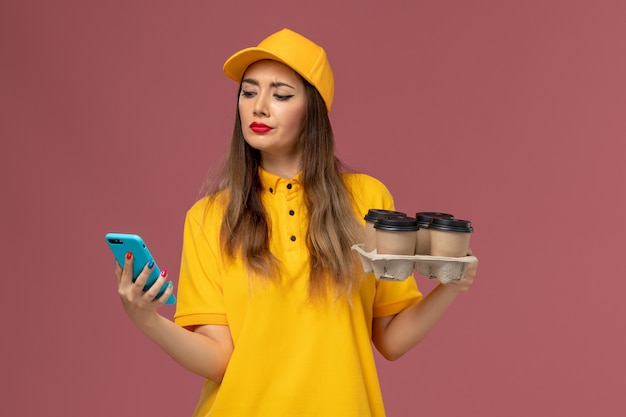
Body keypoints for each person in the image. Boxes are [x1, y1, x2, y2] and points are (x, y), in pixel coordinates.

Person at [114, 28, 477, 416]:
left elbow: (390, 338)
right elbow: (219, 359)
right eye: (249, 92)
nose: (260, 107)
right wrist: (146, 320)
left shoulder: (368, 201)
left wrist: (450, 287)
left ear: (314, 110)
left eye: (281, 95)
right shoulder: (208, 217)